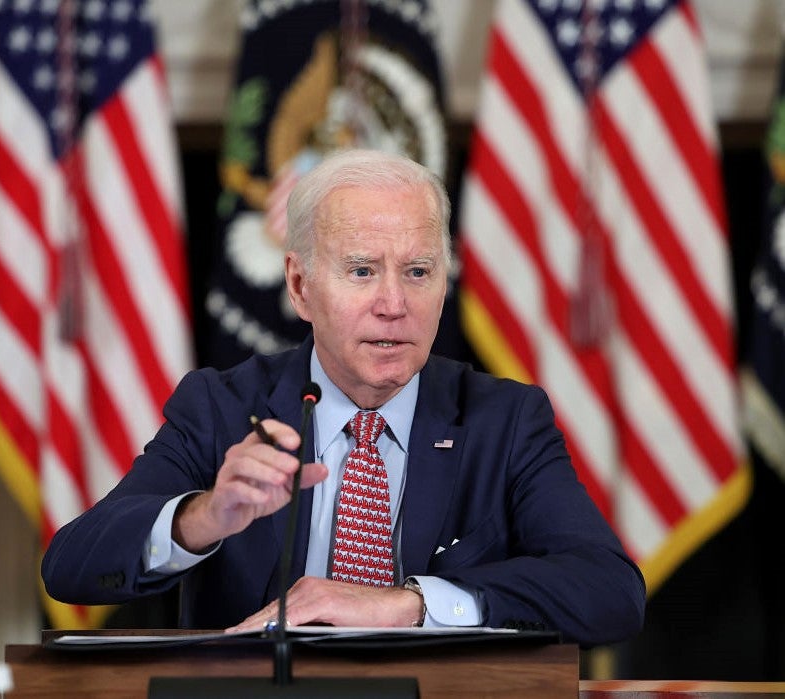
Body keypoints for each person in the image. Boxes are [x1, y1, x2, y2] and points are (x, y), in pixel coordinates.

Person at [42, 149, 645, 646]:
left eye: (417, 272)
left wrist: (405, 605)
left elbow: (609, 593)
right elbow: (69, 566)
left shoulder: (505, 420)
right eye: (361, 271)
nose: (393, 303)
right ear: (300, 287)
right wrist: (207, 516)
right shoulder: (222, 407)